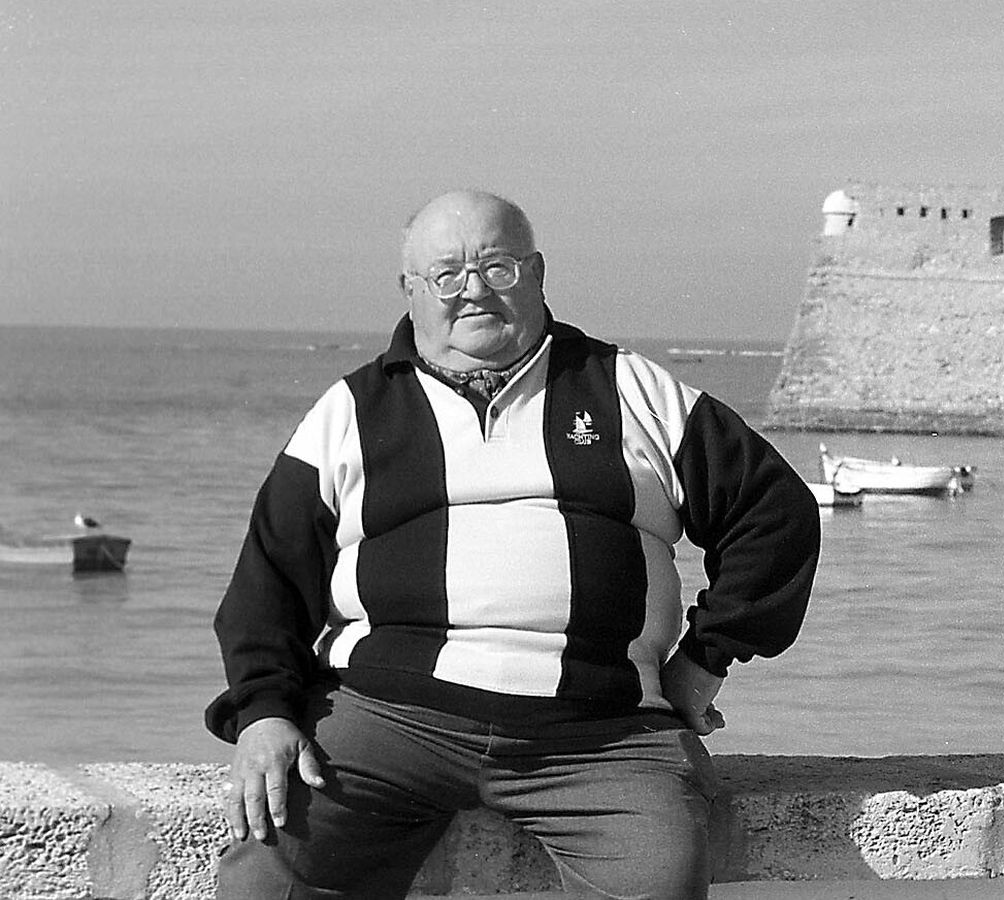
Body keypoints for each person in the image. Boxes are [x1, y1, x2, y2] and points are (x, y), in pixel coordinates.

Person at [205, 189, 820, 899]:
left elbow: (775, 516)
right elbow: (268, 579)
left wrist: (706, 656)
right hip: (382, 721)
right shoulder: (351, 412)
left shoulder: (630, 390)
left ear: (536, 273)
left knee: (660, 877)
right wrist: (265, 714)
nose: (473, 292)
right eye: (447, 275)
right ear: (409, 290)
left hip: (602, 734)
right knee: (270, 872)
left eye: (497, 268)